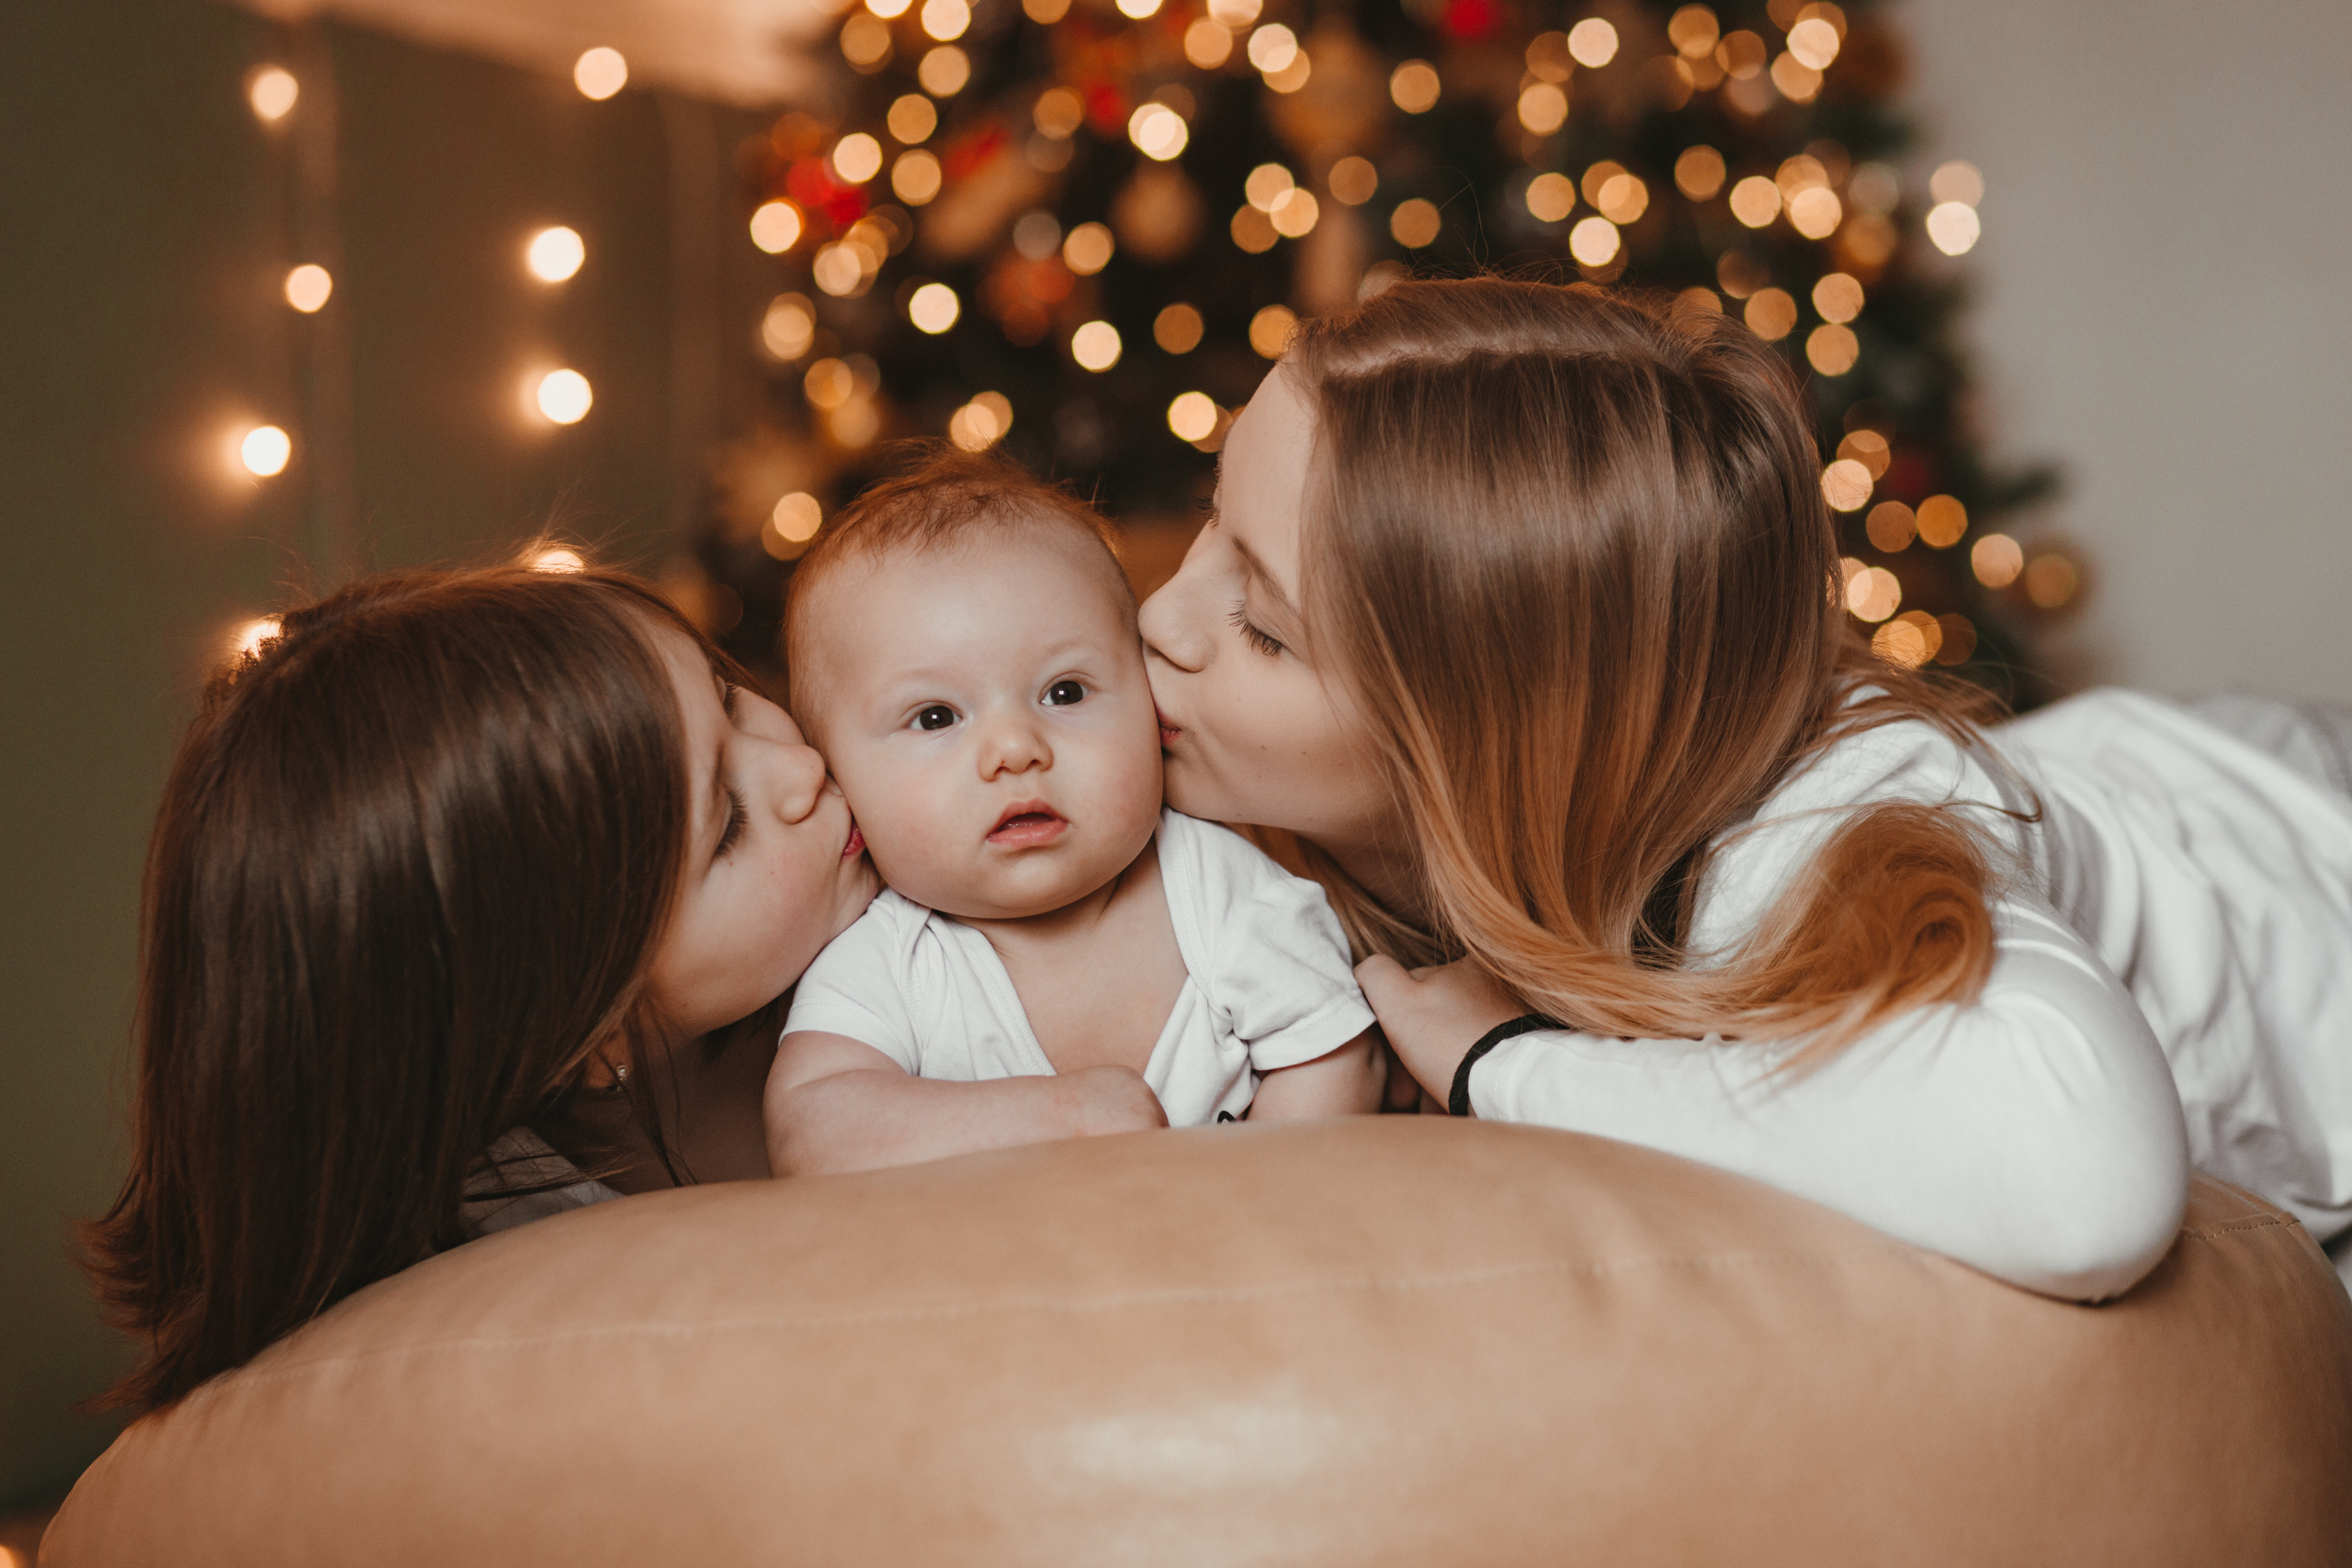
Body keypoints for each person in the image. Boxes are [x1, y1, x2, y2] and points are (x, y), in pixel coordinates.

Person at [1139, 276, 2352, 1302]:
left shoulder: (1819, 828)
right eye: (1209, 523)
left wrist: (1503, 1059)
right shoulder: (1241, 825)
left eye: (1261, 623)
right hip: (2119, 768)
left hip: (2300, 839)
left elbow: (2085, 1178)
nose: (1157, 617)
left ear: (1494, 738)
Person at [82, 560, 1164, 1414]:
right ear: (581, 1031)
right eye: (727, 824)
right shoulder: (562, 1308)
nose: (801, 767)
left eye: (734, 700)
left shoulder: (895, 907)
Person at [766, 451, 1380, 1176]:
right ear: (841, 781)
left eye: (1065, 692)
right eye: (935, 716)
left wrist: (1240, 1212)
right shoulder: (890, 961)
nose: (1014, 750)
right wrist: (1065, 1117)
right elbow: (812, 1130)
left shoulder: (1223, 892)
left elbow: (1334, 1055)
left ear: (1149, 704)